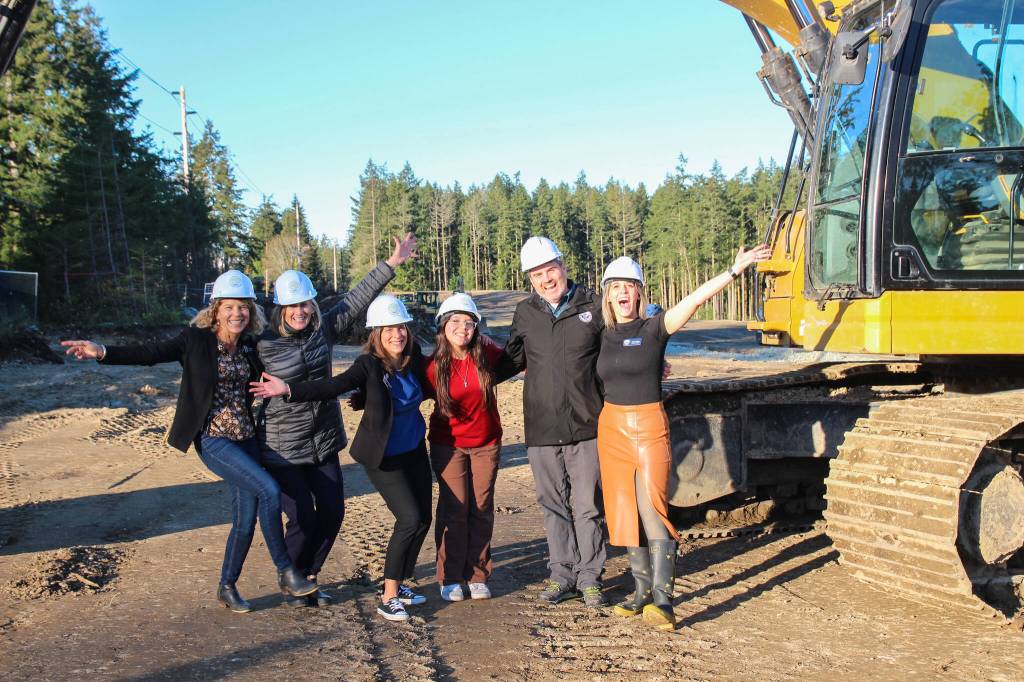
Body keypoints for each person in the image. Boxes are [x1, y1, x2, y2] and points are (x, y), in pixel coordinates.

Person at [61, 270, 319, 614]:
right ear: (216, 309)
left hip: (246, 439)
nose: (237, 313)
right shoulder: (195, 340)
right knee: (269, 490)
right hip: (214, 439)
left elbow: (286, 359)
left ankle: (227, 586)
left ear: (251, 310)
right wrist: (102, 351)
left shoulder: (250, 344)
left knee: (245, 519)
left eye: (243, 307)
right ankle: (286, 571)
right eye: (229, 307)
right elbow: (150, 352)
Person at [596, 247, 770, 630]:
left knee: (652, 509)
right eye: (616, 287)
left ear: (640, 293)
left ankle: (663, 601)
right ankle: (641, 592)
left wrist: (733, 270)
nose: (623, 292)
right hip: (611, 429)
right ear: (607, 294)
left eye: (630, 286)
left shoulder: (655, 328)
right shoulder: (601, 334)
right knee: (624, 509)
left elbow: (694, 299)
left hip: (648, 426)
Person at [256, 234, 417, 607]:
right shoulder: (263, 344)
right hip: (282, 446)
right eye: (292, 306)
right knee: (302, 517)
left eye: (305, 304)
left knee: (332, 512)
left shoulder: (322, 331)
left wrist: (391, 264)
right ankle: (292, 578)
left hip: (324, 439)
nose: (300, 312)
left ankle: (308, 576)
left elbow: (356, 300)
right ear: (280, 308)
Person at [502, 236, 609, 608]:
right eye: (537, 274)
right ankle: (562, 576)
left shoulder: (594, 305)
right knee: (553, 506)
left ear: (563, 266)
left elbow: (619, 347)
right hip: (542, 427)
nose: (546, 279)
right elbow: (511, 360)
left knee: (588, 507)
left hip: (587, 425)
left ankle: (590, 578)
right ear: (530, 279)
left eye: (550, 270)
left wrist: (654, 359)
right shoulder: (525, 313)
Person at [425, 293, 512, 602]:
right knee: (455, 508)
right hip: (448, 446)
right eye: (456, 321)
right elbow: (403, 390)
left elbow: (521, 359)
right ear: (443, 325)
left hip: (486, 443)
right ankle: (449, 576)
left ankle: (477, 574)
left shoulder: (486, 353)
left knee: (482, 507)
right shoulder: (431, 366)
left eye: (469, 322)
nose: (462, 328)